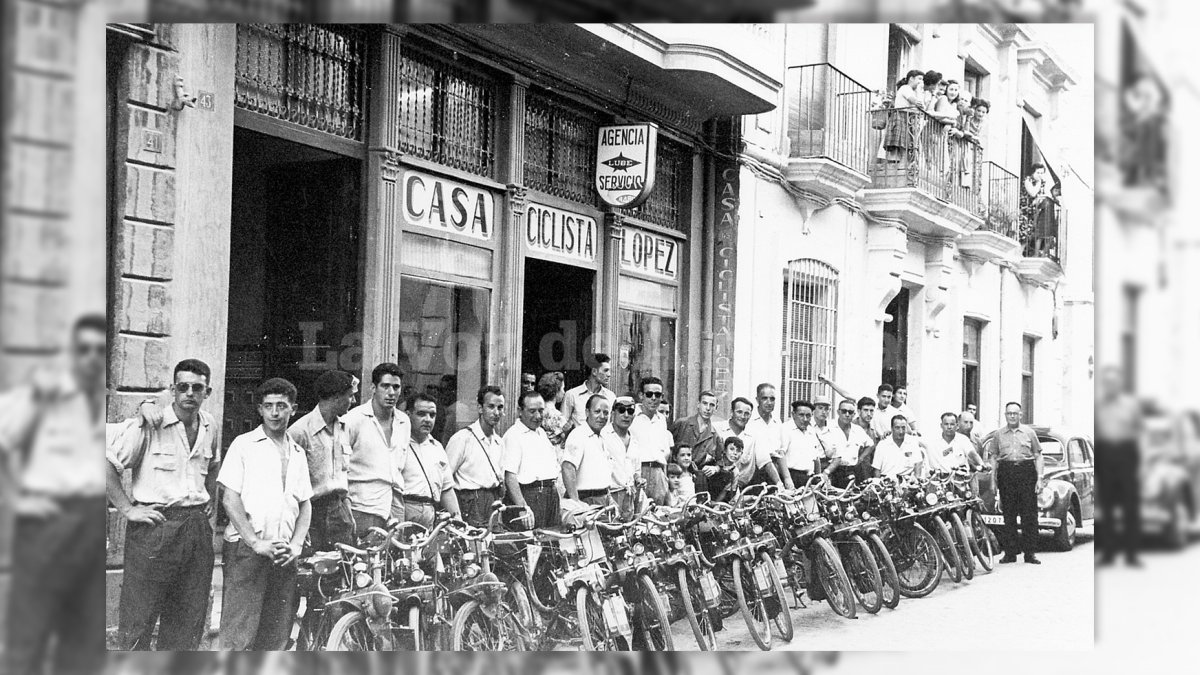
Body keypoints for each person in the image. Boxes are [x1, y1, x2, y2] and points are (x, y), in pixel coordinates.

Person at [2, 314, 107, 671]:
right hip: (43, 527)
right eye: (84, 349)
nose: (92, 357)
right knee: (31, 630)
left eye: (99, 350)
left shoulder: (95, 400)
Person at [107, 357, 218, 652]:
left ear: (208, 392)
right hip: (156, 528)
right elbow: (106, 464)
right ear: (172, 390)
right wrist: (128, 509)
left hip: (196, 529)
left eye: (198, 387)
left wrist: (208, 499)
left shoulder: (210, 425)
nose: (190, 393)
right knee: (139, 618)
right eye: (183, 386)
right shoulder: (149, 424)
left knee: (188, 617)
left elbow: (213, 466)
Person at [217, 377, 313, 650]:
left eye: (281, 406)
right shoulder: (244, 444)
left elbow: (305, 503)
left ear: (293, 409)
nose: (274, 412)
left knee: (275, 636)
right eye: (268, 406)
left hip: (283, 554)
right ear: (259, 409)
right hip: (248, 551)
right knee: (239, 634)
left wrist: (295, 545)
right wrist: (255, 542)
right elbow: (229, 497)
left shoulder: (297, 452)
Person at [287, 370, 356, 552]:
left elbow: (343, 473)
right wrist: (299, 525)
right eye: (350, 396)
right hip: (312, 512)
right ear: (336, 397)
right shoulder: (300, 432)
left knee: (344, 570)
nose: (353, 401)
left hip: (340, 509)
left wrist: (347, 512)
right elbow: (290, 482)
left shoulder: (344, 428)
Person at [983, 402, 1045, 565]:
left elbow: (1038, 455)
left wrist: (1039, 478)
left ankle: (1030, 553)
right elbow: (993, 457)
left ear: (1020, 415)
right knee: (1008, 514)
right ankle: (1010, 553)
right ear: (1005, 415)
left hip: (1026, 472)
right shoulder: (998, 435)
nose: (1012, 416)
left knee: (1029, 515)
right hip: (1007, 472)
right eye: (1009, 413)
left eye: (1015, 413)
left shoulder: (1029, 433)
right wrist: (993, 480)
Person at [1095, 365, 1142, 566]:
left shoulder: (1130, 405)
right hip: (1105, 456)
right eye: (1107, 382)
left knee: (1130, 508)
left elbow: (1139, 432)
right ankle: (1109, 553)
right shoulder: (1099, 405)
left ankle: (1131, 554)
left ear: (1119, 384)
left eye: (1114, 382)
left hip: (1126, 455)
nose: (1111, 385)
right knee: (1107, 509)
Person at [393, 393, 460, 528]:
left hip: (430, 511)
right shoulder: (397, 444)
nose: (427, 419)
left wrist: (457, 518)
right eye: (421, 414)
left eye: (432, 415)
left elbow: (446, 489)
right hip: (403, 510)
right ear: (408, 415)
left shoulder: (437, 448)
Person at [445, 385, 506, 528]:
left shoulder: (499, 443)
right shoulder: (462, 438)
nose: (496, 412)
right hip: (470, 503)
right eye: (491, 407)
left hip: (493, 501)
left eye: (500, 407)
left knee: (495, 546)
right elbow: (445, 478)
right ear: (480, 408)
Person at [501, 390, 562, 528]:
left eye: (541, 411)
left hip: (549, 496)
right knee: (531, 544)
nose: (538, 416)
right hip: (529, 497)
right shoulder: (513, 435)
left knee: (552, 543)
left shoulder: (541, 433)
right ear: (520, 411)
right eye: (532, 411)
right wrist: (522, 508)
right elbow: (510, 476)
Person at [715, 396, 783, 488]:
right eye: (739, 412)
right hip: (718, 485)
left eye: (747, 413)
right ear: (731, 412)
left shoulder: (754, 434)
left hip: (742, 486)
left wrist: (779, 483)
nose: (743, 416)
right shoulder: (717, 429)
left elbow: (765, 461)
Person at [562, 394, 615, 506]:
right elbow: (568, 467)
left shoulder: (603, 436)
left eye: (606, 413)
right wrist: (575, 502)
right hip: (586, 499)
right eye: (597, 411)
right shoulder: (579, 435)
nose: (602, 416)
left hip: (603, 497)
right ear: (587, 412)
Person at [630, 376, 675, 504]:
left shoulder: (661, 420)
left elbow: (664, 452)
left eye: (657, 394)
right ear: (641, 395)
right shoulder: (631, 416)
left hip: (658, 472)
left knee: (658, 515)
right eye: (649, 394)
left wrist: (664, 477)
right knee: (636, 514)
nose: (653, 398)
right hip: (638, 472)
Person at [603, 395, 645, 518]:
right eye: (621, 410)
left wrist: (639, 479)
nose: (626, 415)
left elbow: (636, 471)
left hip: (629, 496)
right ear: (613, 413)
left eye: (630, 411)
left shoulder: (635, 441)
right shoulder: (603, 436)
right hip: (609, 496)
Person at [824, 398, 875, 488]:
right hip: (834, 471)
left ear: (854, 414)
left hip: (852, 470)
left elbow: (871, 445)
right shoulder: (829, 428)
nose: (847, 415)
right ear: (838, 412)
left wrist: (861, 458)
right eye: (844, 411)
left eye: (850, 412)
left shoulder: (858, 430)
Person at [670, 390, 721, 479]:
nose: (708, 408)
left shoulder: (715, 436)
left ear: (716, 408)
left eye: (712, 405)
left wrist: (715, 468)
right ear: (698, 404)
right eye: (705, 403)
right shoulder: (681, 424)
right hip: (675, 478)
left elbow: (720, 462)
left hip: (697, 480)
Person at [560, 353, 616, 433]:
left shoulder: (611, 396)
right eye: (605, 370)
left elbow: (612, 426)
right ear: (594, 371)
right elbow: (562, 424)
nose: (609, 375)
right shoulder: (572, 395)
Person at [882, 69, 926, 163]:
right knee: (898, 145)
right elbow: (918, 103)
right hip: (900, 117)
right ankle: (896, 167)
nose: (921, 82)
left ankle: (902, 166)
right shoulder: (905, 88)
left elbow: (922, 108)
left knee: (905, 145)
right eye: (919, 79)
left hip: (906, 119)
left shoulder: (911, 91)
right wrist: (919, 91)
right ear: (911, 78)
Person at [779, 400, 822, 489]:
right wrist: (787, 479)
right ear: (793, 414)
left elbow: (816, 458)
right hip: (793, 477)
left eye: (808, 416)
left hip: (809, 477)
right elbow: (780, 455)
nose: (805, 419)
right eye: (801, 415)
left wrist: (819, 478)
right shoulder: (785, 429)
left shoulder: (811, 431)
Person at [746, 383, 785, 474]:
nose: (769, 402)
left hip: (775, 469)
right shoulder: (749, 420)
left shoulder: (777, 422)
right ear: (757, 399)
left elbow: (780, 449)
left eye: (772, 399)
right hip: (755, 470)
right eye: (764, 398)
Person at [872, 415, 924, 479]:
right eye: (897, 428)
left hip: (907, 481)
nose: (901, 431)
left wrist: (915, 482)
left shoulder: (912, 442)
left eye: (903, 428)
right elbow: (877, 470)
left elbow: (918, 464)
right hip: (887, 482)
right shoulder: (882, 444)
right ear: (892, 428)